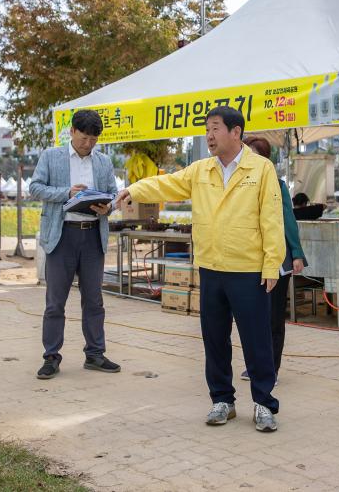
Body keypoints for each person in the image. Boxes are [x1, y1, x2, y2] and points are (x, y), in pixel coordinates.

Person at [114, 106, 285, 432]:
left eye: (216, 128)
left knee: (256, 340)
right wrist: (133, 190)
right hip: (210, 267)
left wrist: (272, 264)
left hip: (248, 269)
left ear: (235, 132)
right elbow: (166, 184)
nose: (209, 135)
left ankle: (263, 403)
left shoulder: (261, 169)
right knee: (214, 340)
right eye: (207, 129)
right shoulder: (201, 170)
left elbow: (271, 219)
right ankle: (222, 400)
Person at [30, 109, 121, 380]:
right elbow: (35, 188)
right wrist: (66, 193)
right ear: (71, 132)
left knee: (94, 299)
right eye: (84, 138)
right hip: (62, 235)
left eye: (93, 139)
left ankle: (95, 353)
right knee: (55, 301)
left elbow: (114, 194)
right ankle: (51, 356)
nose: (88, 144)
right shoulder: (51, 157)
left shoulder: (103, 161)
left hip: (93, 235)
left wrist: (109, 207)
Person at [239, 136, 307, 385]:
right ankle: (255, 365)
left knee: (273, 318)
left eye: (252, 154)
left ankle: (271, 369)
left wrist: (297, 253)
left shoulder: (276, 185)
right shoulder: (241, 183)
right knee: (253, 317)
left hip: (276, 261)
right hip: (250, 262)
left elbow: (287, 219)